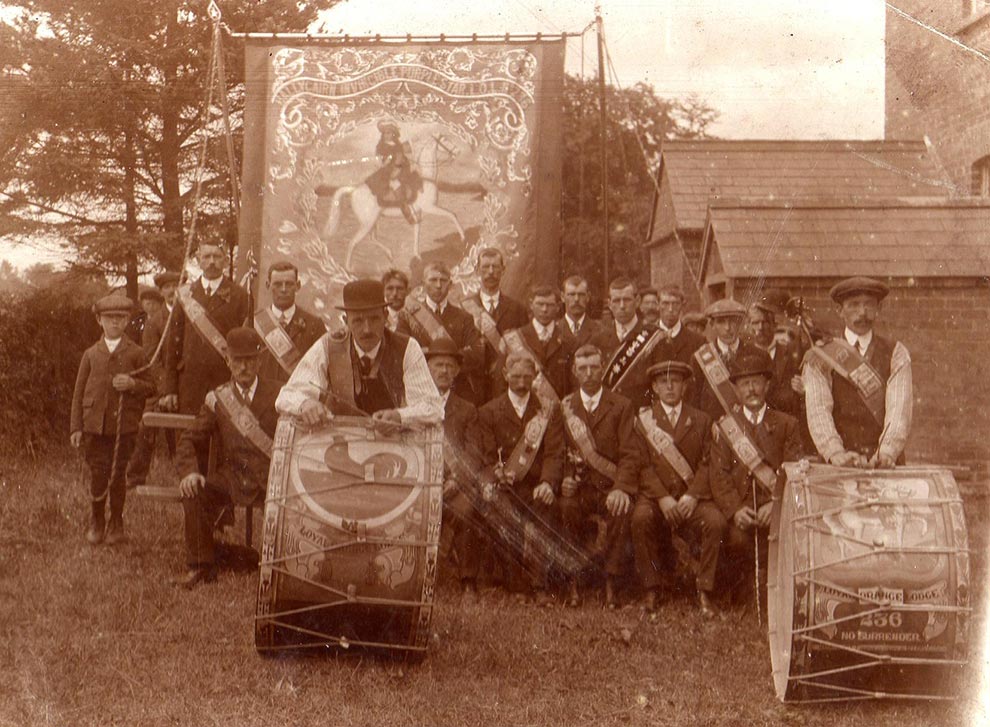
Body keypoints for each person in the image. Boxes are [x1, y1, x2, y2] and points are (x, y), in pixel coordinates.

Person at [174, 327, 279, 588]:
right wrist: (189, 472)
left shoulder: (280, 395)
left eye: (250, 360)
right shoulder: (218, 399)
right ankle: (201, 566)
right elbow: (189, 438)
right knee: (194, 492)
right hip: (233, 478)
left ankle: (278, 564)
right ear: (228, 361)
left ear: (259, 360)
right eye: (238, 360)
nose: (244, 367)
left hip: (271, 479)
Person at [276, 278, 442, 429]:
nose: (367, 329)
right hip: (338, 446)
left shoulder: (407, 347)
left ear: (385, 317)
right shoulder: (328, 345)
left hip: (393, 445)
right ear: (346, 321)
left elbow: (433, 407)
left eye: (374, 319)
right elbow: (286, 395)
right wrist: (305, 403)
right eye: (358, 321)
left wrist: (400, 416)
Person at [627, 360, 724, 617]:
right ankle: (652, 588)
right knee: (640, 518)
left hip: (692, 496)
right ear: (655, 388)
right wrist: (662, 498)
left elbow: (708, 463)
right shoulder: (643, 421)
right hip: (658, 497)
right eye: (663, 382)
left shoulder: (702, 420)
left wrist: (692, 495)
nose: (669, 387)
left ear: (685, 386)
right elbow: (642, 466)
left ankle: (705, 591)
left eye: (676, 381)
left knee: (714, 522)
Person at [709, 349, 802, 609]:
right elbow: (719, 475)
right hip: (743, 513)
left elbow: (794, 472)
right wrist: (735, 510)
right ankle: (742, 598)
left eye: (756, 382)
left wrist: (776, 505)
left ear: (767, 385)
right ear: (736, 390)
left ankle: (782, 601)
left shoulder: (787, 424)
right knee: (736, 541)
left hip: (775, 510)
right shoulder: (727, 428)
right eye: (744, 383)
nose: (751, 389)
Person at [476, 352, 565, 605]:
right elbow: (486, 456)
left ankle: (539, 585)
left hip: (537, 485)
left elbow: (555, 452)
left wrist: (548, 482)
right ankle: (515, 585)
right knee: (500, 511)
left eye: (528, 375)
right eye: (515, 375)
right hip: (505, 486)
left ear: (536, 376)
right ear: (505, 375)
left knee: (547, 510)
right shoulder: (489, 411)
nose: (522, 381)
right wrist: (495, 476)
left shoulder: (548, 410)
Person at [557, 344, 638, 608]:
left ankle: (611, 581)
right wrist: (565, 479)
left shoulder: (622, 405)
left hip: (609, 487)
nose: (589, 373)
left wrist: (622, 488)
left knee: (620, 510)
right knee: (566, 508)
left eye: (594, 367)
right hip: (579, 490)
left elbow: (630, 453)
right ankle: (574, 579)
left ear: (603, 369)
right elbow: (557, 450)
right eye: (583, 368)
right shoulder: (565, 407)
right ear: (574, 372)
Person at [802, 276, 912, 468]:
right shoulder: (821, 356)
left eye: (869, 305)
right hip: (838, 464)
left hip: (885, 464)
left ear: (879, 309)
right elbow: (818, 409)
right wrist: (834, 452)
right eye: (853, 305)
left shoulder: (896, 352)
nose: (862, 312)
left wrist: (886, 453)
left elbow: (899, 410)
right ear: (840, 311)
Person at [70, 295, 153, 545]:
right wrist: (76, 427)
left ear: (127, 320)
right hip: (95, 426)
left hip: (123, 428)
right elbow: (78, 392)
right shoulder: (91, 354)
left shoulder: (136, 353)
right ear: (99, 320)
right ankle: (97, 521)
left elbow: (152, 386)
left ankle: (116, 523)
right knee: (98, 474)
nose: (115, 323)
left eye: (120, 318)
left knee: (118, 475)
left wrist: (133, 384)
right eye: (109, 318)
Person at [425, 338, 485, 601]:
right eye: (438, 365)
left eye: (450, 366)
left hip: (454, 484)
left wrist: (456, 481)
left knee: (467, 510)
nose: (444, 371)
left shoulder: (467, 409)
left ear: (457, 371)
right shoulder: (414, 404)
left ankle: (468, 581)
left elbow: (474, 453)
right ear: (427, 367)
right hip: (421, 483)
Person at [162, 241, 250, 417]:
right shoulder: (185, 294)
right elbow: (173, 345)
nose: (212, 261)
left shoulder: (240, 295)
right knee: (189, 438)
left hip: (226, 381)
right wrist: (170, 388)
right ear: (198, 260)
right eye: (206, 257)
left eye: (217, 256)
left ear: (225, 261)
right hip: (190, 384)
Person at [397, 261, 485, 404]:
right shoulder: (408, 316)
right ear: (423, 283)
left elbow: (476, 354)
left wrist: (427, 353)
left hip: (456, 391)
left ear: (450, 284)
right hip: (420, 389)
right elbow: (401, 352)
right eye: (433, 280)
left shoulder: (464, 317)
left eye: (443, 280)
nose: (438, 286)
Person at [461, 247, 529, 402]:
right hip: (473, 388)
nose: (490, 272)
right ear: (477, 270)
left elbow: (524, 353)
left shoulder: (518, 309)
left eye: (495, 267)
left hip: (505, 388)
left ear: (503, 270)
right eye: (485, 267)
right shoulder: (464, 308)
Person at [691, 298, 765, 421]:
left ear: (741, 323)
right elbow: (694, 401)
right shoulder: (700, 358)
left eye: (733, 321)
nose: (728, 328)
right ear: (712, 325)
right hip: (712, 431)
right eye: (721, 322)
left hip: (751, 430)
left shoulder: (759, 355)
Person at [253, 260, 326, 384]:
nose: (283, 289)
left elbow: (322, 368)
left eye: (289, 284)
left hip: (297, 396)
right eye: (277, 284)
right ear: (267, 285)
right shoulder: (253, 322)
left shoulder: (315, 325)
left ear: (297, 286)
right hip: (263, 397)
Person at [501, 284, 574, 401]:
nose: (544, 309)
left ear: (558, 307)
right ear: (531, 305)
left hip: (558, 410)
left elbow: (574, 383)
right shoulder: (514, 338)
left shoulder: (569, 341)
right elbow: (501, 382)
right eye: (540, 304)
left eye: (549, 305)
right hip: (523, 407)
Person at [747, 301, 802, 417]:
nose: (760, 328)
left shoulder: (791, 353)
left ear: (774, 325)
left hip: (787, 421)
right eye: (755, 323)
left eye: (765, 322)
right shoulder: (744, 356)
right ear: (749, 326)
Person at [366, 120, 422, 224]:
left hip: (403, 168)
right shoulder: (381, 146)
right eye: (385, 133)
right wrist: (386, 162)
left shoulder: (397, 144)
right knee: (397, 187)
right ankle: (408, 214)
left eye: (390, 133)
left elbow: (405, 151)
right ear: (383, 134)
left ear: (394, 134)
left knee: (414, 178)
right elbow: (380, 160)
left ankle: (417, 202)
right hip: (389, 170)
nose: (387, 135)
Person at [647, 285, 707, 367]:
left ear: (682, 305)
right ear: (658, 305)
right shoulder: (646, 338)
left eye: (675, 304)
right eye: (665, 303)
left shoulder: (698, 342)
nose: (670, 309)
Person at [382, 268, 410, 332]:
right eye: (390, 288)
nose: (395, 294)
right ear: (383, 291)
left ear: (407, 291)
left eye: (400, 288)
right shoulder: (380, 317)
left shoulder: (415, 318)